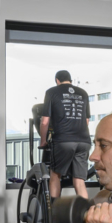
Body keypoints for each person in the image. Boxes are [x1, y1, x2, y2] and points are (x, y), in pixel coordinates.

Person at [39, 70, 91, 204]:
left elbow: (45, 121)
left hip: (63, 140)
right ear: (71, 80)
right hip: (84, 141)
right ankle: (84, 215)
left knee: (55, 175)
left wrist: (43, 141)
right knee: (79, 180)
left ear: (57, 80)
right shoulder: (83, 93)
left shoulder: (52, 92)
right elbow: (86, 121)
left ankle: (54, 216)